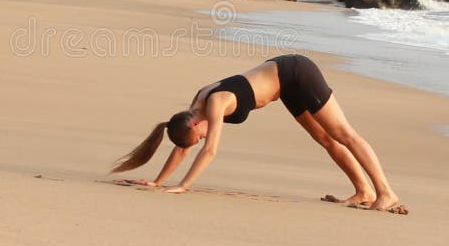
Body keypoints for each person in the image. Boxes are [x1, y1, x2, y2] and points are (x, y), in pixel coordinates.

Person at [111, 54, 404, 213]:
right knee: (325, 139)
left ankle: (385, 193)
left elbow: (209, 150)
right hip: (285, 86)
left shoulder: (214, 102)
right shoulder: (196, 105)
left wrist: (185, 186)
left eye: (198, 135)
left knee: (344, 133)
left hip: (297, 72)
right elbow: (183, 147)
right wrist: (159, 182)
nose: (201, 137)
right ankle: (363, 191)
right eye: (199, 137)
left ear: (193, 124)